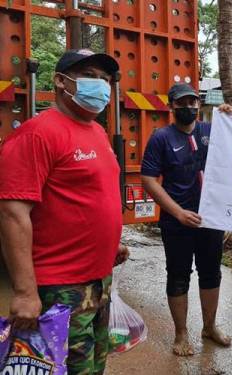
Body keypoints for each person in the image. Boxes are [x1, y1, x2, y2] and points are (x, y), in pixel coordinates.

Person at [0, 49, 128, 374]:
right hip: (60, 288)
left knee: (93, 365)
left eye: (105, 80)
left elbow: (92, 198)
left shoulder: (97, 132)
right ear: (60, 81)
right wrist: (25, 292)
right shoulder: (37, 134)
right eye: (90, 76)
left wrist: (110, 245)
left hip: (98, 282)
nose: (100, 86)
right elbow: (13, 214)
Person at [141, 83, 232, 356]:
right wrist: (178, 212)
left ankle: (210, 326)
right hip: (176, 222)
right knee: (179, 276)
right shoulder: (161, 138)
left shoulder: (210, 131)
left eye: (193, 102)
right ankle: (181, 334)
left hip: (210, 220)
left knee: (211, 273)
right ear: (171, 106)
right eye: (182, 103)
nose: (189, 107)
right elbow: (149, 180)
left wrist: (229, 117)